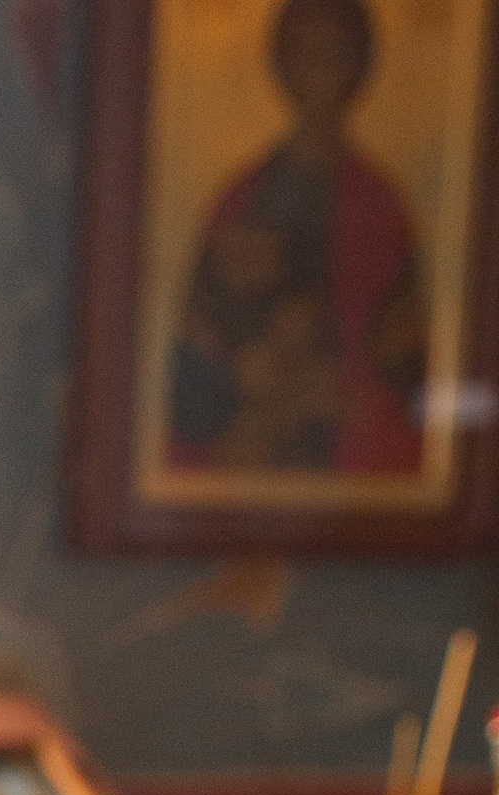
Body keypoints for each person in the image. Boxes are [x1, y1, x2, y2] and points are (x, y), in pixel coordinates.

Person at [168, 0, 425, 480]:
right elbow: (194, 361)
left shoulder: (382, 206)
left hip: (349, 463)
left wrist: (349, 397)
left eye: (333, 56)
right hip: (250, 448)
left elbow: (415, 376)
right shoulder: (241, 198)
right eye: (303, 56)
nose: (317, 75)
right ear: (280, 67)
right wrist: (248, 387)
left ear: (359, 67)